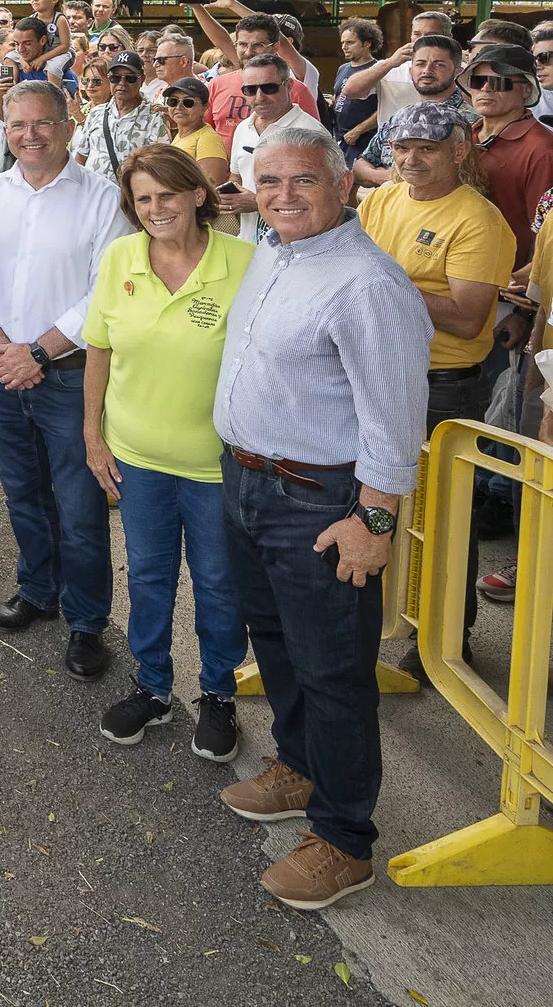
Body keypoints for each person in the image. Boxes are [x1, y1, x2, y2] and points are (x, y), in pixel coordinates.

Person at [212, 124, 429, 911]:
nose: (283, 197)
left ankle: (344, 840)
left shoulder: (369, 285)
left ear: (343, 185)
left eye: (303, 180)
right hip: (250, 483)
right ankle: (299, 768)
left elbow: (396, 420)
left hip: (319, 502)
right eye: (268, 182)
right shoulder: (276, 248)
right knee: (275, 643)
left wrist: (372, 523)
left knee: (335, 671)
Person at [82, 145, 253, 761]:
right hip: (138, 457)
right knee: (149, 577)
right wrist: (93, 437)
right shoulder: (120, 257)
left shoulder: (246, 262)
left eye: (167, 195)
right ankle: (152, 687)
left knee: (216, 582)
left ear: (199, 195)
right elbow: (98, 349)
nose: (155, 209)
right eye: (143, 199)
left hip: (217, 465)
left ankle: (217, 693)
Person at [0, 81, 133, 678]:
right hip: (2, 370)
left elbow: (105, 293)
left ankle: (87, 622)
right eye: (17, 125)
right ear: (4, 129)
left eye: (43, 124)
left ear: (67, 126)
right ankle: (38, 591)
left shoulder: (103, 199)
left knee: (80, 508)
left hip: (69, 376)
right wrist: (1, 345)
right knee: (23, 494)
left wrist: (38, 350)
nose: (29, 135)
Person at [358, 103, 511, 667]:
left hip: (440, 385)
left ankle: (446, 641)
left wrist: (386, 282)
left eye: (426, 147)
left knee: (442, 521)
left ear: (459, 149)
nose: (411, 158)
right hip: (373, 375)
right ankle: (379, 623)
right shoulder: (380, 199)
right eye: (401, 147)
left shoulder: (478, 219)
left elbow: (469, 318)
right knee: (374, 510)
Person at [464, 44, 553, 269]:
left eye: (498, 82)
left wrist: (531, 277)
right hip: (459, 267)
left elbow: (544, 228)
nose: (486, 89)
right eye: (477, 81)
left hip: (507, 282)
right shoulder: (461, 136)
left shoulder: (542, 149)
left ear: (525, 89)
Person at [220, 55, 326, 242]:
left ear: (289, 86)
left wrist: (258, 202)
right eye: (250, 90)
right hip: (249, 245)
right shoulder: (243, 127)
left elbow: (324, 196)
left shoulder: (310, 132)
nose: (259, 97)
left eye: (269, 88)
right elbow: (237, 176)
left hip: (298, 245)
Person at [353, 35, 474, 188]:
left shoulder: (470, 121)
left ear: (458, 72)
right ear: (411, 71)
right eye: (420, 64)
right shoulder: (400, 117)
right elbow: (359, 168)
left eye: (439, 65)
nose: (427, 71)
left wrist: (390, 177)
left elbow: (466, 177)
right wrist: (389, 178)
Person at [200, 12, 320, 142]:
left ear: (276, 47)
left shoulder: (296, 90)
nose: (248, 52)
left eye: (258, 45)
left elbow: (315, 144)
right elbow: (205, 136)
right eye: (243, 44)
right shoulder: (216, 85)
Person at [339, 10, 454, 140]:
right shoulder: (392, 67)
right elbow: (350, 90)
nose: (422, 39)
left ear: (448, 37)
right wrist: (390, 63)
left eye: (431, 35)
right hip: (391, 149)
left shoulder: (461, 70)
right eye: (417, 34)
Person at [73, 52, 168, 182]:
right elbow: (80, 157)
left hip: (129, 198)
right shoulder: (96, 113)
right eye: (115, 78)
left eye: (130, 78)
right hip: (94, 196)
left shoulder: (155, 117)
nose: (122, 83)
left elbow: (159, 167)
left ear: (141, 79)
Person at [162, 76, 231, 204]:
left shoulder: (207, 139)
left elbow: (211, 191)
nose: (179, 107)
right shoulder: (181, 136)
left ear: (205, 108)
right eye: (173, 101)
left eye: (188, 102)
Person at [331, 19, 386, 151]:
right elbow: (339, 95)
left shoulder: (379, 69)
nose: (344, 47)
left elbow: (385, 107)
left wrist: (358, 131)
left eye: (350, 42)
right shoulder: (343, 68)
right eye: (343, 42)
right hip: (340, 137)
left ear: (367, 43)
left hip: (363, 140)